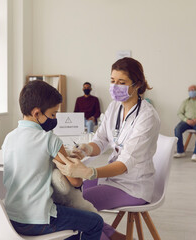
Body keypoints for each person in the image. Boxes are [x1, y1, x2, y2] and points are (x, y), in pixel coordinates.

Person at [54, 57, 160, 240]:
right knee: (68, 194)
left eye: (121, 82)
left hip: (133, 185)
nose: (115, 86)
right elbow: (101, 140)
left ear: (137, 84)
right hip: (113, 178)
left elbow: (125, 164)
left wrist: (89, 172)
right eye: (112, 81)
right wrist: (86, 149)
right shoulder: (114, 107)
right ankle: (115, 236)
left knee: (74, 206)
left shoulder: (147, 117)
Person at [2, 80, 103, 240]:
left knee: (74, 221)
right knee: (95, 222)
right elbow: (75, 181)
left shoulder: (9, 138)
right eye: (53, 114)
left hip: (10, 218)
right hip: (39, 219)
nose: (55, 119)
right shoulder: (49, 139)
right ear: (37, 113)